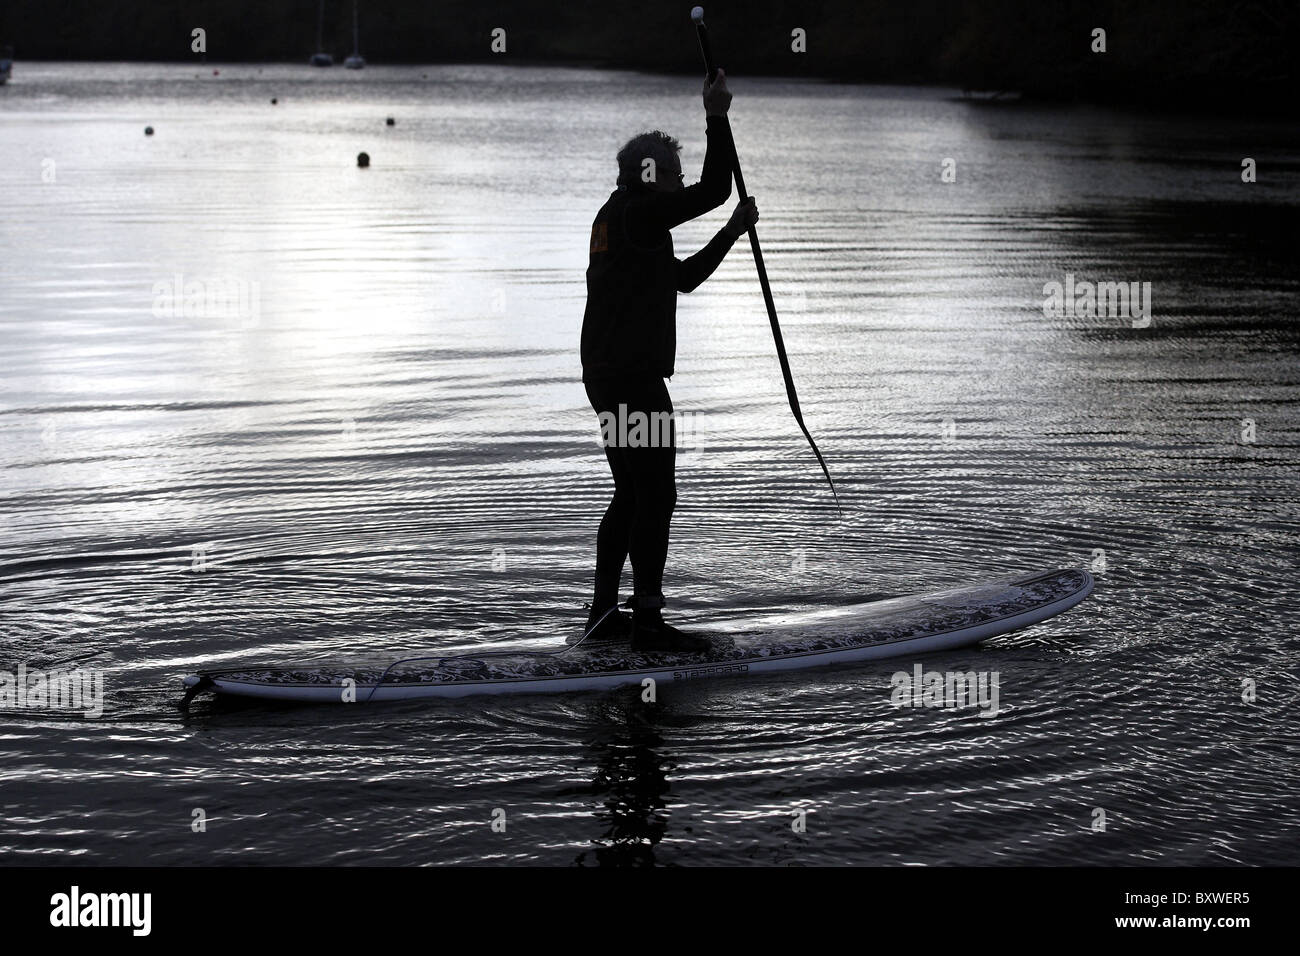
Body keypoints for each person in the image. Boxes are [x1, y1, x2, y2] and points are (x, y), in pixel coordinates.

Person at [579, 69, 759, 652]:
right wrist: (717, 113)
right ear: (650, 176)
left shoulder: (622, 216)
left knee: (631, 492)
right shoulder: (641, 214)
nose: (681, 186)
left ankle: (606, 615)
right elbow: (714, 188)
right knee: (655, 494)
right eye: (672, 176)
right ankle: (649, 624)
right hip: (631, 377)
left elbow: (679, 281)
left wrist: (730, 233)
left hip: (605, 375)